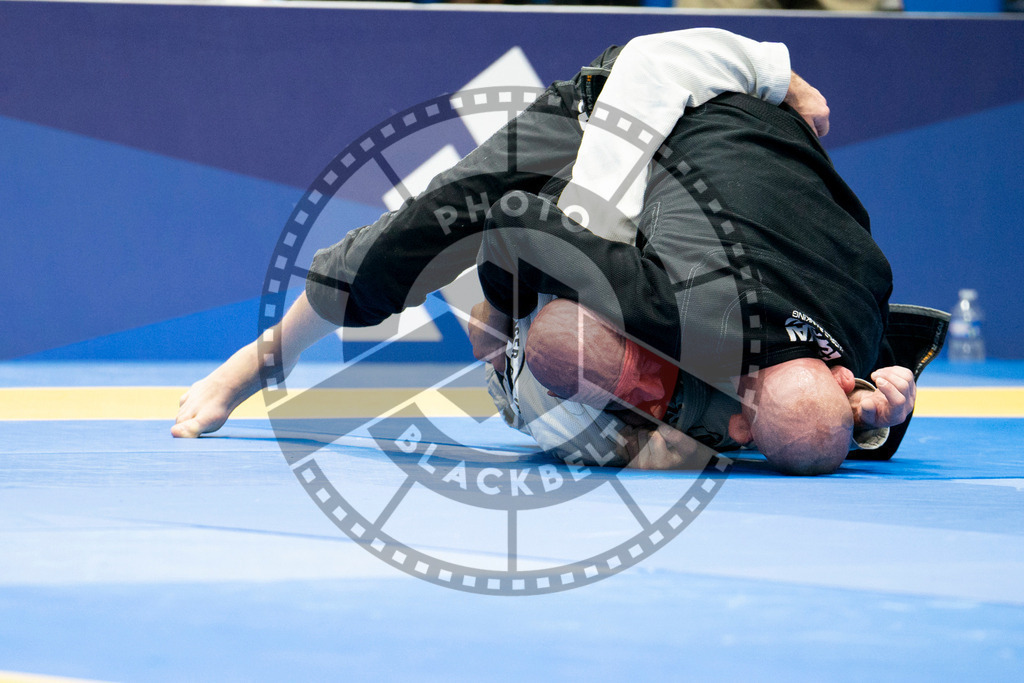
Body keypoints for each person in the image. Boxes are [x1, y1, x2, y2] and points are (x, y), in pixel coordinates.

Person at [172, 29, 930, 475]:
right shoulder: (695, 309)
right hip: (614, 111)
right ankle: (267, 354)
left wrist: (879, 414)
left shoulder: (865, 297)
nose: (741, 425)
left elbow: (863, 404)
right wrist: (772, 70)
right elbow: (652, 62)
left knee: (594, 323)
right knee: (434, 224)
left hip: (704, 186)